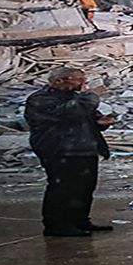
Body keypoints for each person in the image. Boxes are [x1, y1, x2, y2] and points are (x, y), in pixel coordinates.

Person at [25, 67, 115, 237]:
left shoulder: (75, 98)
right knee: (63, 187)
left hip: (84, 148)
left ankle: (79, 220)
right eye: (78, 80)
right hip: (59, 150)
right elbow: (69, 113)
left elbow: (87, 116)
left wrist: (101, 122)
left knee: (84, 187)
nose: (83, 84)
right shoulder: (39, 99)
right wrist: (92, 96)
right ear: (59, 80)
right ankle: (57, 224)